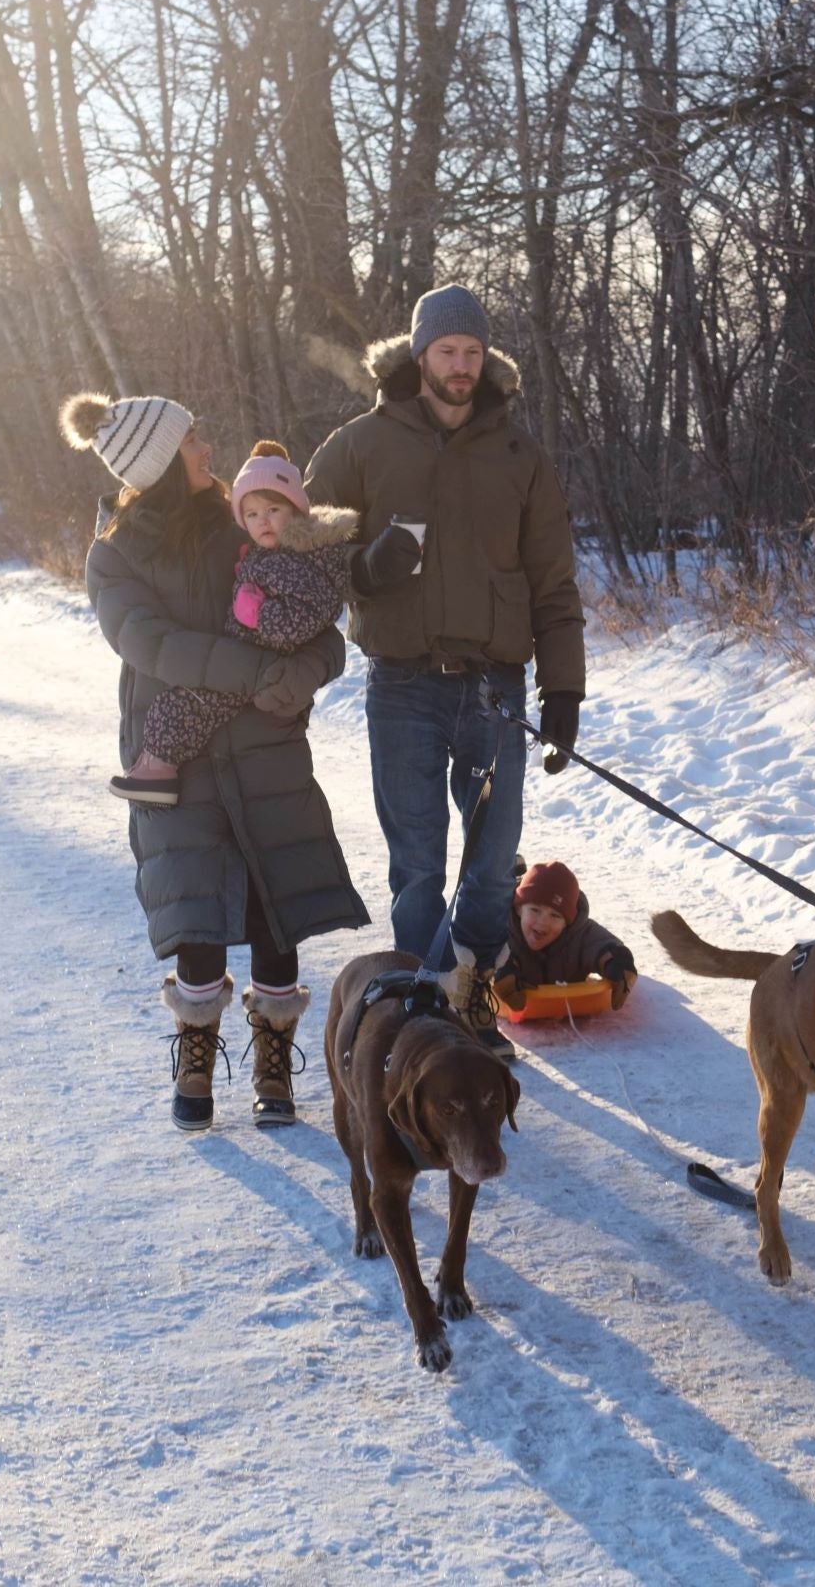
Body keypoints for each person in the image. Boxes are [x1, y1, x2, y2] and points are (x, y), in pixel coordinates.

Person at [71, 393, 368, 1130]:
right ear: (164, 458)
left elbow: (317, 621)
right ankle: (198, 1058)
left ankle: (274, 1065)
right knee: (196, 918)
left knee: (276, 912)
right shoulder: (114, 552)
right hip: (175, 754)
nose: (208, 447)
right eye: (193, 439)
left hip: (266, 746)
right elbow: (149, 645)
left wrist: (309, 669)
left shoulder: (245, 520)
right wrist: (255, 675)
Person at [305, 285, 587, 1062]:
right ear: (418, 355)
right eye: (445, 352)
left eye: (471, 353)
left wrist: (563, 688)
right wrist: (365, 566)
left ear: (484, 360)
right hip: (402, 683)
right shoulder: (362, 444)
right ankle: (424, 1012)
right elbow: (298, 544)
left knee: (495, 861)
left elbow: (554, 582)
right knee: (420, 865)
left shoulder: (518, 455)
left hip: (495, 684)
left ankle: (467, 990)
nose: (459, 367)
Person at [109, 441, 358, 806]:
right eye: (253, 514)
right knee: (176, 707)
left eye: (274, 509)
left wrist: (255, 613)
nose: (263, 521)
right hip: (244, 660)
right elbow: (144, 637)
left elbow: (307, 622)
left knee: (182, 708)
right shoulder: (263, 551)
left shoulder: (298, 558)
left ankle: (157, 770)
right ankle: (153, 766)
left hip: (258, 665)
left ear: (295, 509)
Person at [489, 860, 636, 1015]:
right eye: (535, 910)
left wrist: (619, 962)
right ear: (519, 909)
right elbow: (485, 951)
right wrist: (498, 972)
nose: (543, 922)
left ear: (568, 922)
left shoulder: (579, 933)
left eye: (555, 915)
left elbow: (603, 945)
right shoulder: (501, 930)